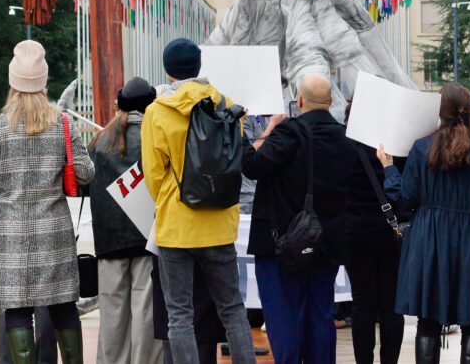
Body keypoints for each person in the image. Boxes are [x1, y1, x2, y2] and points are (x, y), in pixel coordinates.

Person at [0, 40, 95, 364]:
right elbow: (86, 173)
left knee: (16, 309)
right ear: (43, 82)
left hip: (8, 233)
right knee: (63, 306)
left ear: (12, 81)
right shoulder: (62, 125)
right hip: (54, 230)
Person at [140, 38, 256, 364]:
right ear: (199, 66)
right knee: (232, 309)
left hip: (176, 223)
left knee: (180, 314)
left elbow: (153, 172)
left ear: (167, 70)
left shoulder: (158, 111)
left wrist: (171, 199)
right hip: (220, 221)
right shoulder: (228, 105)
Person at [378, 82, 470, 364]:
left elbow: (405, 199)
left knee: (428, 318)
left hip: (429, 238)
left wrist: (388, 168)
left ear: (439, 111)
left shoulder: (422, 148)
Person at [241, 74, 356, 364]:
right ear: (330, 102)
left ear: (299, 101)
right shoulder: (345, 138)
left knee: (284, 319)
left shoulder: (289, 132)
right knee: (320, 316)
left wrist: (250, 131)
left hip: (282, 243)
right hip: (326, 243)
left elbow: (253, 166)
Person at [88, 77, 164, 364]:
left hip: (109, 240)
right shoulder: (156, 135)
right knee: (146, 310)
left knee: (111, 310)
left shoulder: (101, 139)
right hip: (148, 236)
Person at [342, 101, 405, 364]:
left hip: (355, 231)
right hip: (392, 232)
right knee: (392, 303)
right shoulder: (398, 144)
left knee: (362, 303)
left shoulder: (346, 144)